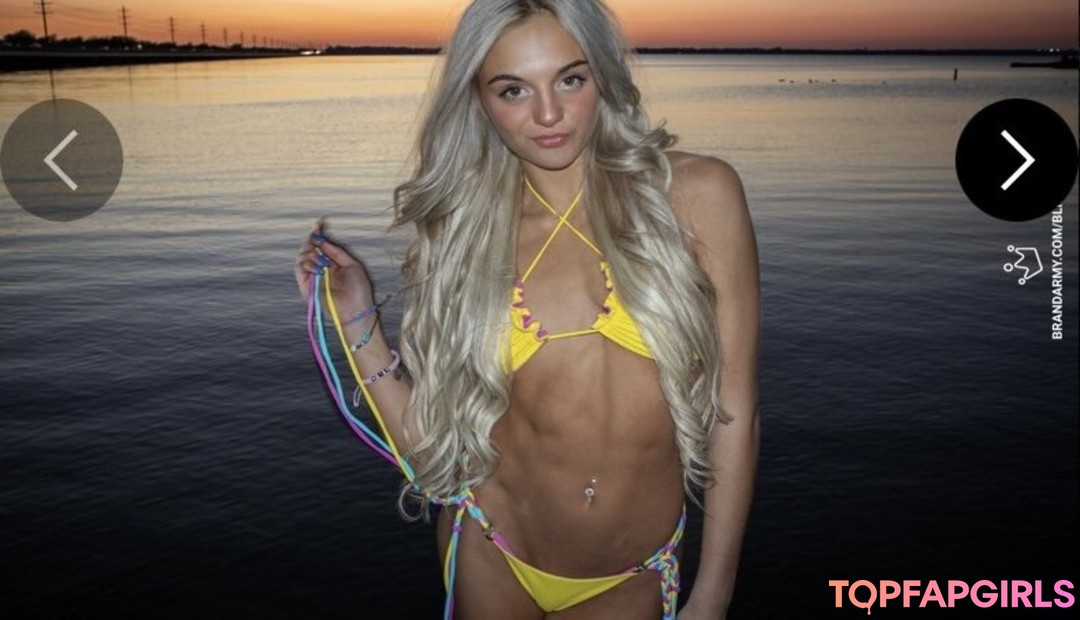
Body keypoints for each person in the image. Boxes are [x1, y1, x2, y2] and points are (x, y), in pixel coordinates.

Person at [295, 1, 759, 618]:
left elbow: (736, 409)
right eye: (513, 89)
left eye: (570, 79)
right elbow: (434, 454)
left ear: (604, 75)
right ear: (479, 100)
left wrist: (713, 597)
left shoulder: (698, 197)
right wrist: (359, 322)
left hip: (632, 577)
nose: (547, 114)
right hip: (492, 553)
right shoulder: (466, 230)